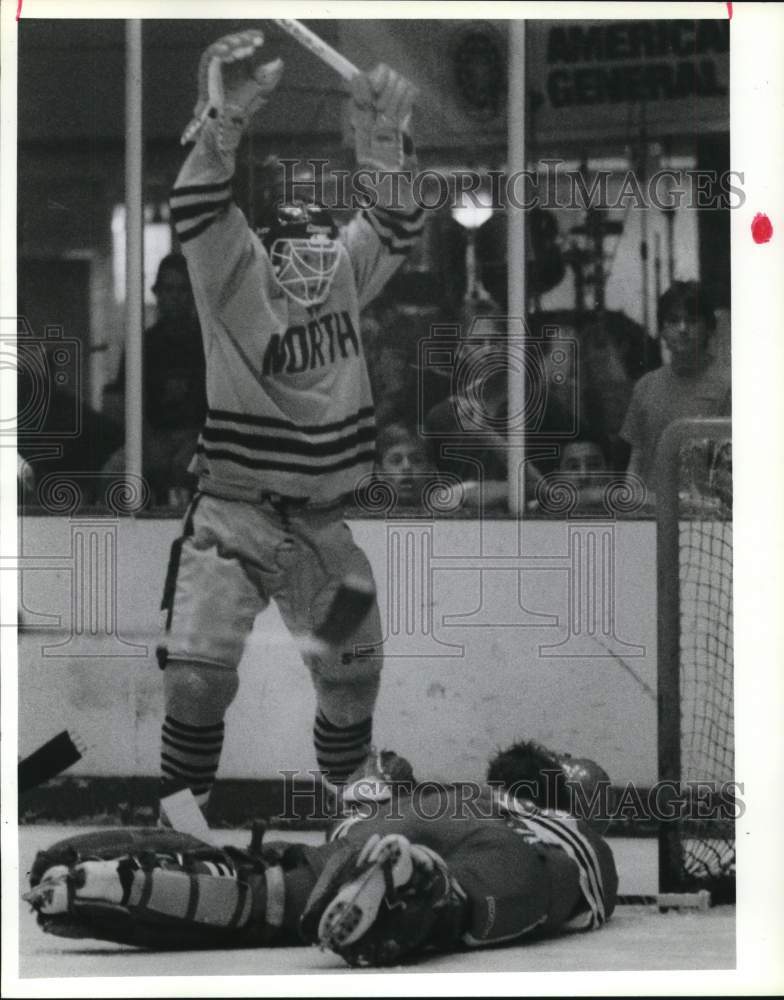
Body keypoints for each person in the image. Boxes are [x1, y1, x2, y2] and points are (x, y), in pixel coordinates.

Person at [156, 31, 423, 816]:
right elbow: (198, 205)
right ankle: (180, 817)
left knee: (352, 673)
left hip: (323, 529)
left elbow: (399, 222)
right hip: (234, 517)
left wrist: (381, 146)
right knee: (197, 678)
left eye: (321, 250)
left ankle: (350, 803)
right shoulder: (232, 277)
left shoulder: (341, 274)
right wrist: (222, 119)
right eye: (294, 253)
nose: (312, 266)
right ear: (265, 251)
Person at [24, 740, 618, 966]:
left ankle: (95, 878)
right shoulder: (574, 832)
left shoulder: (454, 792)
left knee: (268, 890)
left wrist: (371, 799)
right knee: (470, 902)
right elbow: (576, 894)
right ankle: (420, 884)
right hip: (505, 850)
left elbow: (377, 772)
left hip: (383, 824)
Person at [103, 252, 207, 506]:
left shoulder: (206, 344)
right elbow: (125, 402)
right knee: (113, 473)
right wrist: (148, 441)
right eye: (169, 289)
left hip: (197, 440)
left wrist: (196, 441)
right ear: (157, 293)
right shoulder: (143, 344)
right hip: (151, 438)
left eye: (183, 289)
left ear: (193, 295)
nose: (175, 297)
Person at [620, 281, 731, 500]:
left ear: (709, 328)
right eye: (673, 320)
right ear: (662, 331)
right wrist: (629, 503)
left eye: (691, 320)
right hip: (650, 515)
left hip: (708, 521)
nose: (682, 329)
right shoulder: (645, 386)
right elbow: (637, 458)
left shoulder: (730, 385)